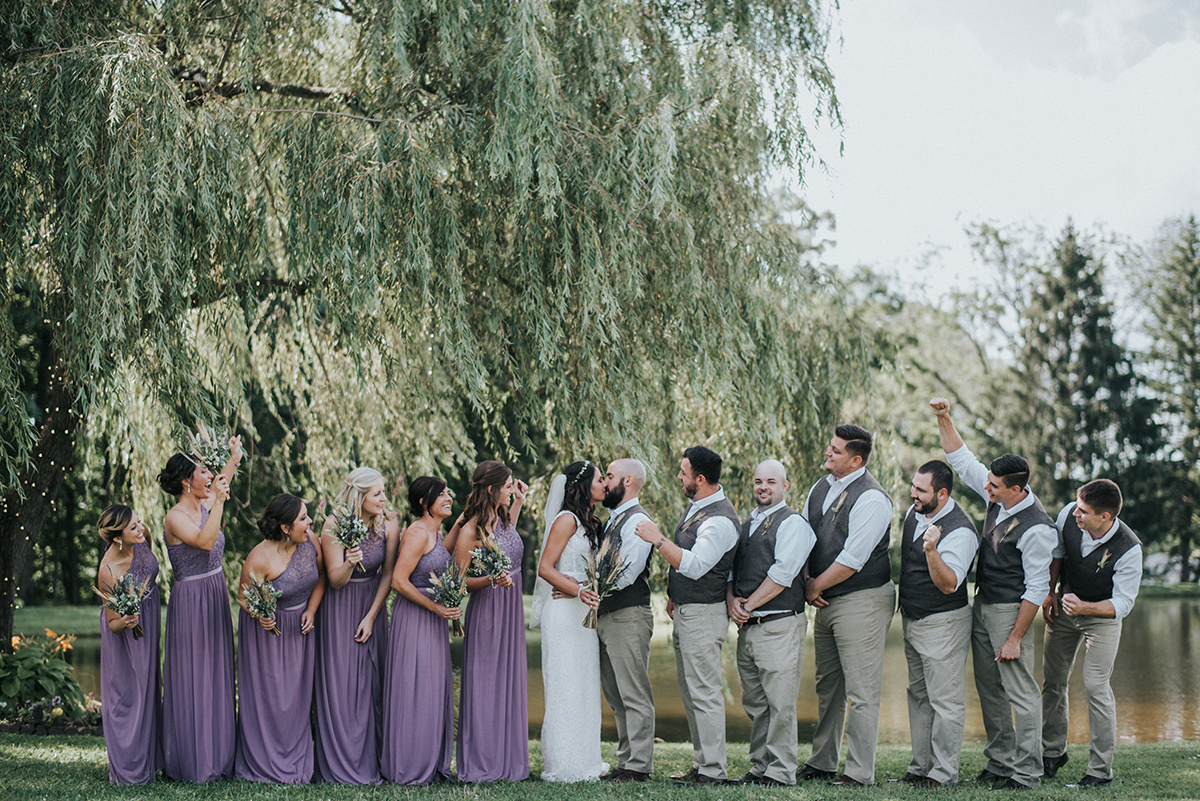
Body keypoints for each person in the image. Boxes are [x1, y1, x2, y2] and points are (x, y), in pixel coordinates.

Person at [932, 397, 1055, 790]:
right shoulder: (997, 494)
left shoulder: (1037, 528)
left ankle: (1028, 771)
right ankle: (1000, 763)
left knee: (1021, 692)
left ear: (1017, 489)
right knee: (990, 690)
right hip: (983, 604)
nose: (986, 488)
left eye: (995, 486)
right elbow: (961, 457)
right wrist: (944, 417)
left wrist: (1016, 637)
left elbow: (1037, 588)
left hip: (1010, 612)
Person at [635, 445, 739, 786]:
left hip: (705, 614)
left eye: (683, 472)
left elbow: (695, 566)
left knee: (705, 691)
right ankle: (703, 763)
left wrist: (657, 538)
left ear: (701, 478)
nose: (679, 477)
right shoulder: (699, 507)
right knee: (691, 689)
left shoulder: (720, 520)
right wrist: (674, 595)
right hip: (689, 610)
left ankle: (713, 770)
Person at [800, 424, 895, 787]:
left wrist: (813, 587)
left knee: (861, 690)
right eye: (830, 446)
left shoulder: (872, 498)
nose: (828, 452)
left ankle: (859, 772)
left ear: (856, 460)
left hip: (863, 600)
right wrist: (809, 579)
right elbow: (807, 537)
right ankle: (822, 761)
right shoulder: (819, 488)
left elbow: (853, 558)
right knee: (829, 687)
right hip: (826, 599)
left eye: (836, 451)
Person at [1041, 479, 1142, 787]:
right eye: (1077, 507)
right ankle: (1052, 753)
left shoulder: (1129, 548)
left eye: (1084, 511)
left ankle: (1100, 772)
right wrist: (1050, 593)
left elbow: (1123, 603)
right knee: (1053, 681)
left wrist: (1085, 607)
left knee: (1096, 686)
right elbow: (1058, 554)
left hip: (1101, 617)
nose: (1076, 514)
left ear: (1105, 517)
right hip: (1064, 608)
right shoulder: (1069, 514)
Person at [158, 437, 242, 783]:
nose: (210, 477)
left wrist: (233, 460)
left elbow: (220, 485)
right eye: (203, 472)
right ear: (185, 482)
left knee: (217, 672)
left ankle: (219, 756)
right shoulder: (175, 516)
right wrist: (219, 500)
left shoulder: (205, 497)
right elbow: (206, 542)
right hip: (191, 598)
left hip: (215, 590)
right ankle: (194, 760)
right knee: (195, 674)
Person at [727, 460, 815, 786]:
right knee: (756, 703)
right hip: (749, 626)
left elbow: (781, 575)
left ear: (785, 486)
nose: (763, 487)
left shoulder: (793, 523)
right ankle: (760, 766)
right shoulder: (746, 524)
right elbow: (733, 573)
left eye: (771, 482)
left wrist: (746, 605)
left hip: (779, 624)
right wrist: (731, 602)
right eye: (758, 481)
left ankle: (781, 772)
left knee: (780, 704)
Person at [314, 467, 401, 785]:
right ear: (359, 495)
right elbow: (335, 581)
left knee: (371, 684)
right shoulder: (334, 525)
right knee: (342, 684)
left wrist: (372, 616)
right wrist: (350, 561)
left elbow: (389, 574)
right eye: (377, 493)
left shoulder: (388, 523)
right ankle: (341, 763)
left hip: (372, 607)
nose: (383, 498)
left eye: (383, 492)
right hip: (339, 609)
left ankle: (372, 760)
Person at [897, 460, 979, 788]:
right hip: (913, 621)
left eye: (921, 489)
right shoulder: (915, 513)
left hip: (944, 623)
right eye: (913, 486)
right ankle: (921, 767)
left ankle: (944, 773)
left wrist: (932, 549)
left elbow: (949, 584)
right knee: (918, 695)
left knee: (945, 702)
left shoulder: (961, 531)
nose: (912, 493)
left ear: (942, 494)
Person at [234, 493, 326, 783]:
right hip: (268, 634)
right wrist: (260, 615)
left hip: (300, 629)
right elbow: (243, 597)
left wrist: (311, 609)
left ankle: (297, 760)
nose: (309, 521)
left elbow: (321, 577)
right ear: (285, 527)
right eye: (303, 517)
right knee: (273, 698)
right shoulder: (259, 557)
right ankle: (267, 762)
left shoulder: (311, 541)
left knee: (297, 697)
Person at [448, 460, 530, 782]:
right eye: (509, 486)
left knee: (507, 681)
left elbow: (506, 544)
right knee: (486, 683)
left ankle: (508, 760)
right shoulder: (470, 530)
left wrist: (519, 501)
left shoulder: (502, 519)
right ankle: (482, 761)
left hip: (511, 609)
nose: (513, 490)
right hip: (488, 612)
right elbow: (459, 581)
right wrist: (493, 580)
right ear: (493, 489)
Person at [380, 477, 462, 784]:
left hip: (432, 619)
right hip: (416, 619)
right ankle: (410, 766)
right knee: (415, 688)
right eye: (441, 494)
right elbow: (399, 581)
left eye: (447, 492)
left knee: (431, 689)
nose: (448, 497)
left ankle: (432, 763)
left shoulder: (435, 531)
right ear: (424, 503)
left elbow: (441, 557)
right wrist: (436, 608)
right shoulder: (416, 533)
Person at [534, 461, 609, 782]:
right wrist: (576, 589)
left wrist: (585, 590)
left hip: (583, 609)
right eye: (599, 478)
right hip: (565, 612)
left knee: (584, 683)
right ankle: (564, 764)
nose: (605, 483)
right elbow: (546, 568)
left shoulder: (590, 522)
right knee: (565, 682)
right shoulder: (566, 520)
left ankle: (586, 760)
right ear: (583, 486)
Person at [596, 458, 657, 783]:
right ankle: (626, 760)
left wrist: (589, 588)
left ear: (628, 481)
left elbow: (627, 572)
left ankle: (640, 765)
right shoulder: (611, 520)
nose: (604, 483)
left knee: (633, 692)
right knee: (615, 693)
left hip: (628, 615)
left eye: (609, 476)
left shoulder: (637, 521)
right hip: (606, 614)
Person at [96, 505, 163, 785]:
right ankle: (126, 769)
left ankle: (147, 761)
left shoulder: (141, 536)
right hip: (124, 633)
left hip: (149, 616)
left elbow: (150, 564)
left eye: (139, 522)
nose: (141, 528)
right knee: (126, 695)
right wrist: (127, 620)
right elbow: (113, 624)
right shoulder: (108, 571)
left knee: (147, 689)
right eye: (133, 527)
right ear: (117, 538)